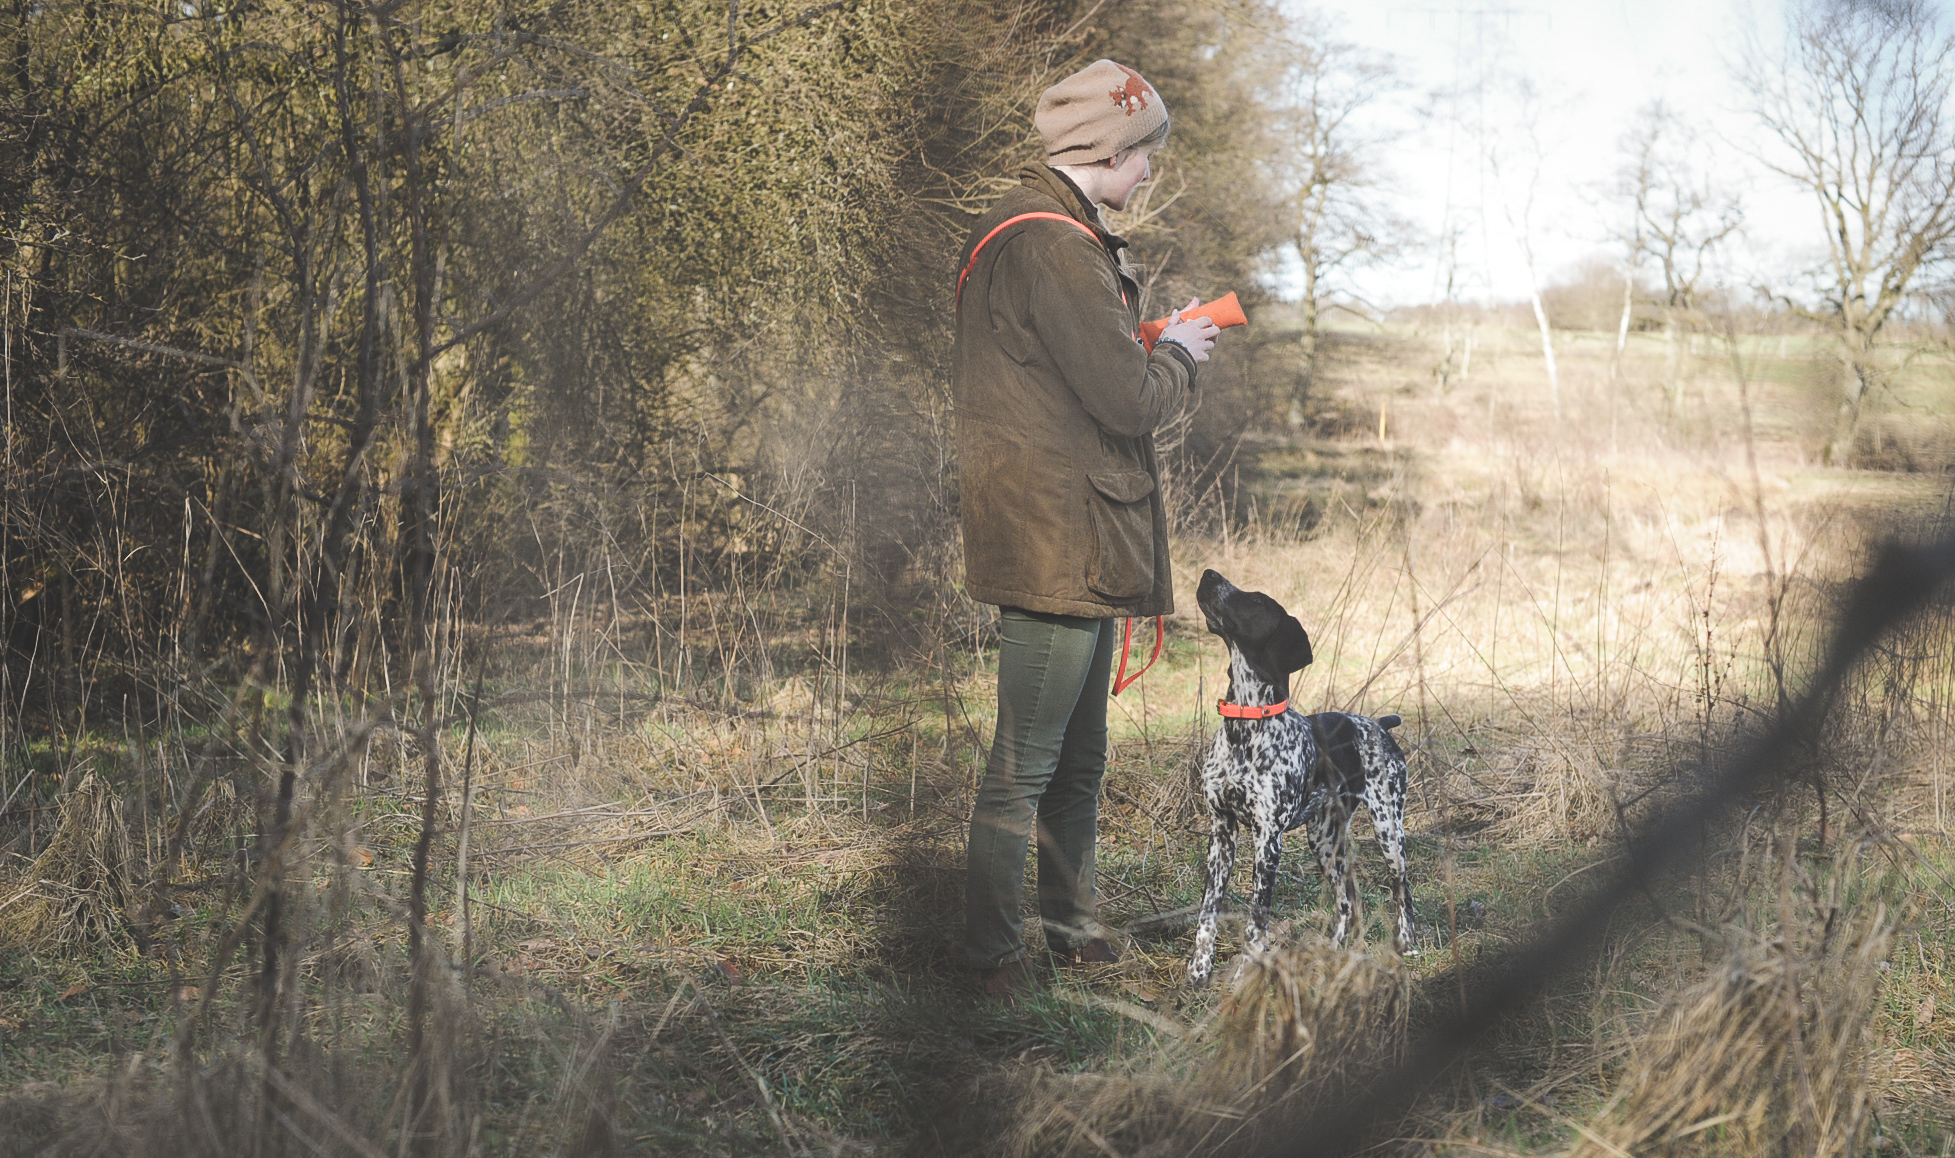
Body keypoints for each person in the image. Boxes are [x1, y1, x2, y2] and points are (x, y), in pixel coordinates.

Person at [952, 59, 1224, 999]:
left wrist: (1139, 344)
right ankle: (990, 961)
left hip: (1072, 533)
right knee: (1025, 766)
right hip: (1056, 539)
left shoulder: (1029, 229)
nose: (1148, 173)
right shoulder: (1055, 245)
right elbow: (1128, 402)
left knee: (1078, 760)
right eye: (1144, 154)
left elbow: (1063, 379)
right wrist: (1178, 355)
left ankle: (1072, 928)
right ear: (1109, 152)